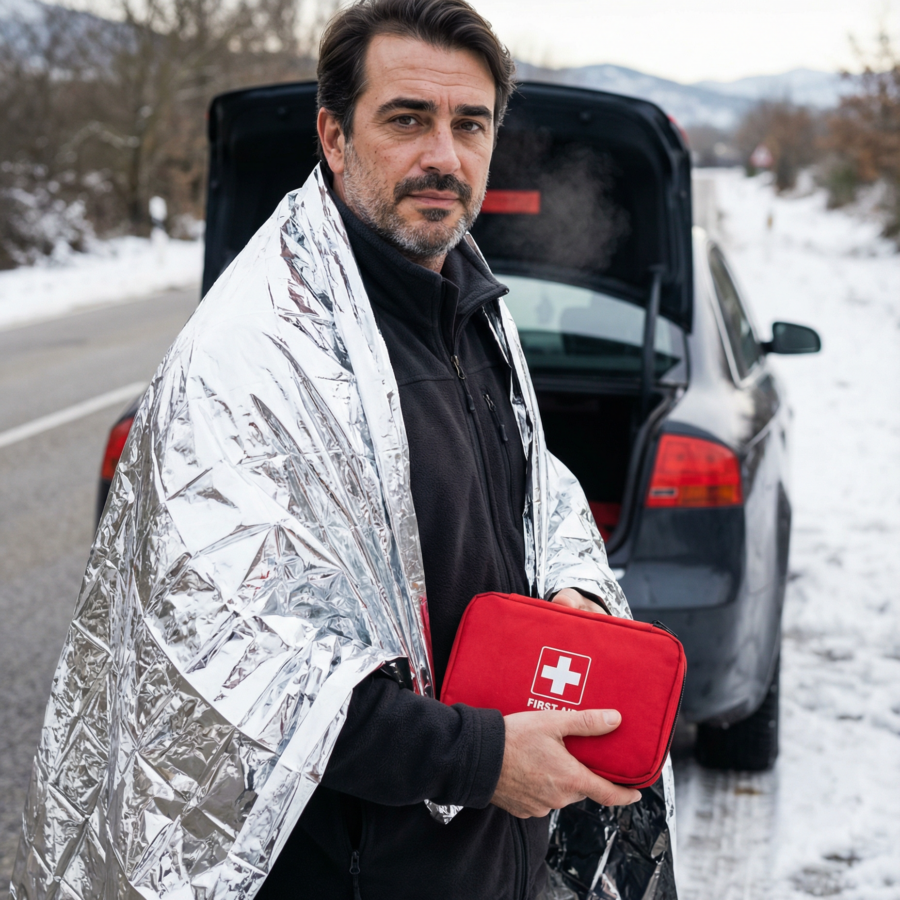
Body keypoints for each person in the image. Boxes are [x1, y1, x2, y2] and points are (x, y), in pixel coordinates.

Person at [11, 2, 671, 899]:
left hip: (481, 861)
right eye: (407, 119)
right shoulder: (253, 358)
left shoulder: (471, 307)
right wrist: (482, 761)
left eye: (469, 123)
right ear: (334, 133)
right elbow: (240, 669)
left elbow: (530, 483)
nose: (443, 154)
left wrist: (572, 590)